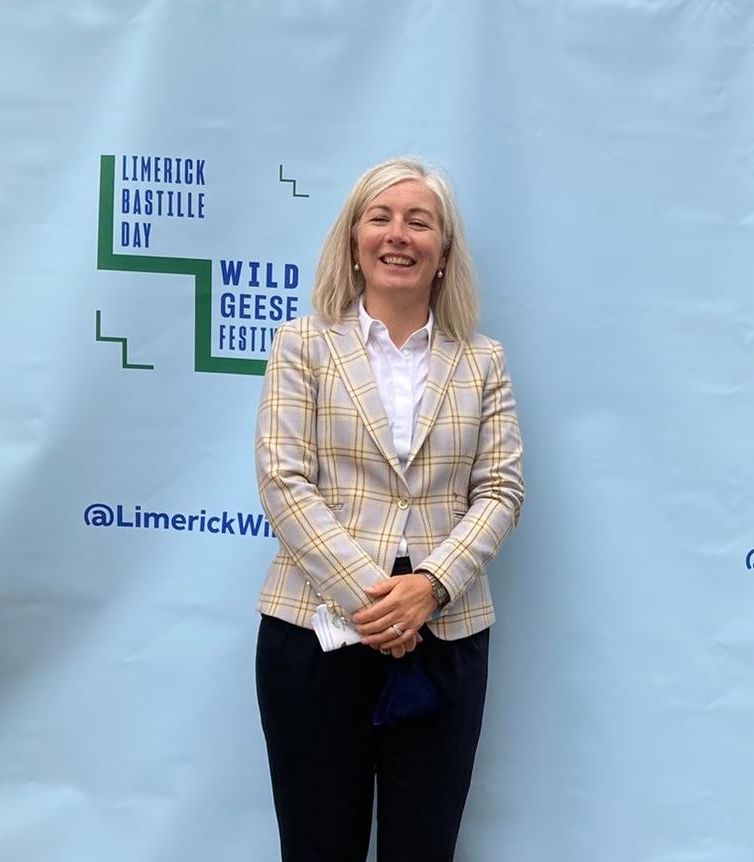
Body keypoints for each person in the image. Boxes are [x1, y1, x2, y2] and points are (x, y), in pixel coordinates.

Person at [253, 156, 524, 861]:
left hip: (445, 636)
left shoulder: (482, 360)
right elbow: (283, 481)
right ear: (352, 240)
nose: (397, 234)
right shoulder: (302, 346)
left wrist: (428, 590)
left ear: (443, 252)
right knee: (318, 846)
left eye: (418, 221)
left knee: (422, 849)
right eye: (379, 217)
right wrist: (375, 603)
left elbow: (499, 490)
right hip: (315, 633)